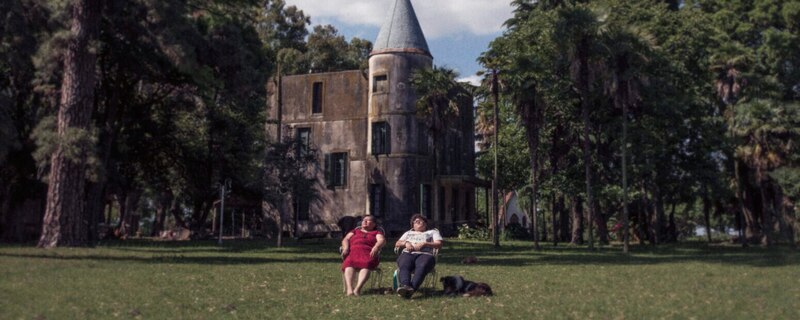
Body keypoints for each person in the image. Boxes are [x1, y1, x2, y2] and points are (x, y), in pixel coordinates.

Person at [394, 214, 443, 298]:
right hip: (408, 253)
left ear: (426, 224)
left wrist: (425, 243)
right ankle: (406, 286)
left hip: (426, 254)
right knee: (404, 264)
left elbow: (439, 244)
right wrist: (406, 243)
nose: (420, 222)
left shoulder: (432, 232)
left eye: (423, 221)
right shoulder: (408, 233)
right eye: (417, 221)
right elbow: (398, 243)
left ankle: (411, 289)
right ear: (413, 225)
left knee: (422, 266)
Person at [341, 215, 385, 296]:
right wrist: (346, 248)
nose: (365, 221)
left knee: (366, 264)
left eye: (368, 220)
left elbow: (382, 240)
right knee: (349, 264)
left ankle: (357, 289)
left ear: (374, 224)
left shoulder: (376, 233)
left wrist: (376, 247)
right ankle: (350, 289)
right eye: (364, 220)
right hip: (353, 252)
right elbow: (345, 239)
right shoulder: (354, 231)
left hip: (368, 253)